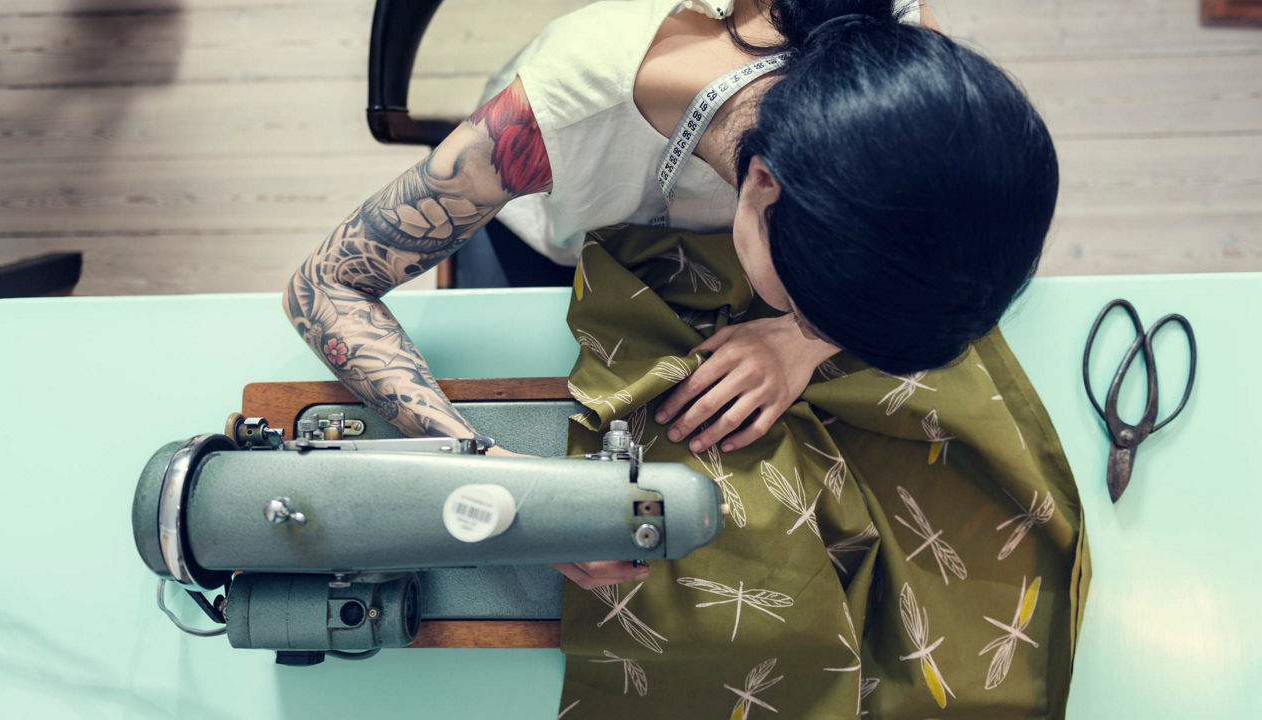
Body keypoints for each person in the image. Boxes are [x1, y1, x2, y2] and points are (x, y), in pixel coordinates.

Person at [284, 0, 1057, 592]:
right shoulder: (564, 109)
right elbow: (324, 283)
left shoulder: (895, 61)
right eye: (812, 311)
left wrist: (802, 338)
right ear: (761, 184)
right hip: (554, 237)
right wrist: (502, 485)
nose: (820, 328)